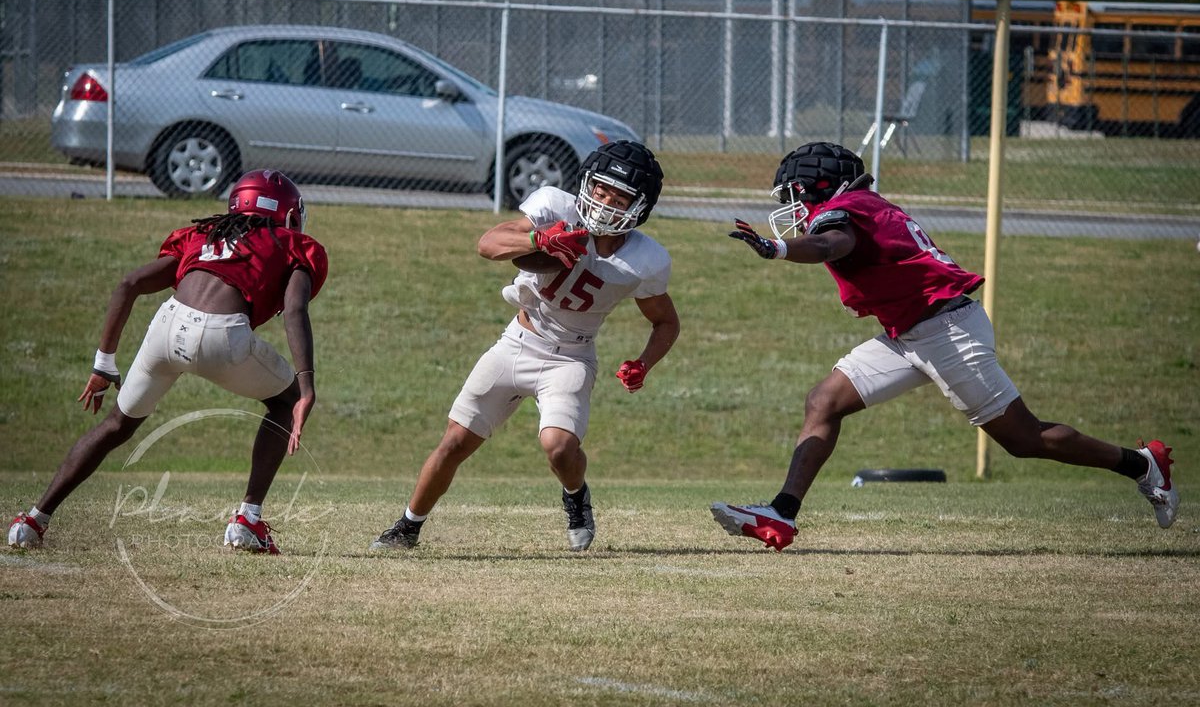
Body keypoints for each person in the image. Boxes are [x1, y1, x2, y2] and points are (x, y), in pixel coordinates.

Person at [710, 141, 1179, 551]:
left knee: (1024, 439)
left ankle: (1142, 463)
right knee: (824, 400)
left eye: (794, 194)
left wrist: (780, 248)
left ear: (821, 185)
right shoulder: (863, 204)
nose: (792, 205)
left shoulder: (846, 210)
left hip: (947, 330)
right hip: (910, 331)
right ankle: (782, 513)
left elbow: (832, 243)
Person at [369, 140, 680, 552]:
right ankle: (407, 527)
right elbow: (489, 244)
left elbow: (665, 321)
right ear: (585, 183)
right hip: (519, 341)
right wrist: (540, 238)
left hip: (572, 355)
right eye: (601, 191)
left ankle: (576, 497)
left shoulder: (647, 258)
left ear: (640, 207)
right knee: (454, 442)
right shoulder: (554, 206)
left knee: (559, 447)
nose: (605, 204)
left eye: (619, 198)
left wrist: (645, 363)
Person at [7, 170, 328, 555]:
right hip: (223, 334)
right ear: (287, 214)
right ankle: (247, 521)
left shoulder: (202, 235)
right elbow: (294, 309)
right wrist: (306, 386)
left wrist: (103, 364)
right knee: (285, 399)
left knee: (117, 424)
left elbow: (129, 284)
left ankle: (32, 520)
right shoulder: (292, 243)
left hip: (167, 324)